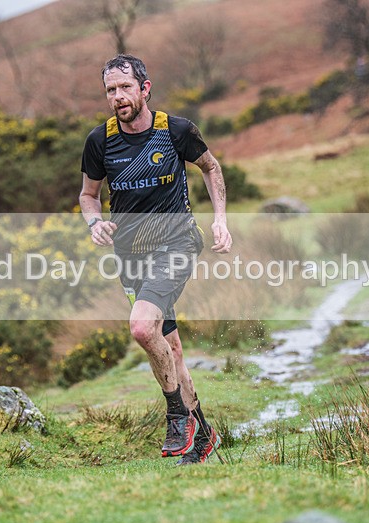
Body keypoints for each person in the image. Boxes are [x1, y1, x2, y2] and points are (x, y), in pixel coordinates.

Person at [79, 54, 232, 465]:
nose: (118, 96)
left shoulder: (176, 130)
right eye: (111, 90)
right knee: (170, 348)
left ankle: (176, 417)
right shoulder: (100, 140)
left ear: (145, 88)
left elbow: (211, 167)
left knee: (143, 328)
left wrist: (220, 220)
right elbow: (88, 195)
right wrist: (93, 224)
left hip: (177, 244)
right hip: (130, 256)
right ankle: (202, 436)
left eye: (125, 87)